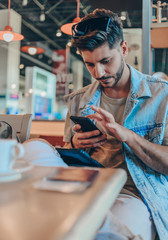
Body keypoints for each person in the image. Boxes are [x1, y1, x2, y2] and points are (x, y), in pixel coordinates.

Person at [63, 8, 168, 240]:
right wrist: (75, 144)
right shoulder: (78, 100)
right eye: (89, 64)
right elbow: (68, 157)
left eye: (105, 61)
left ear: (123, 49)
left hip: (137, 194)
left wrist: (126, 135)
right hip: (87, 188)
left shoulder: (162, 96)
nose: (98, 72)